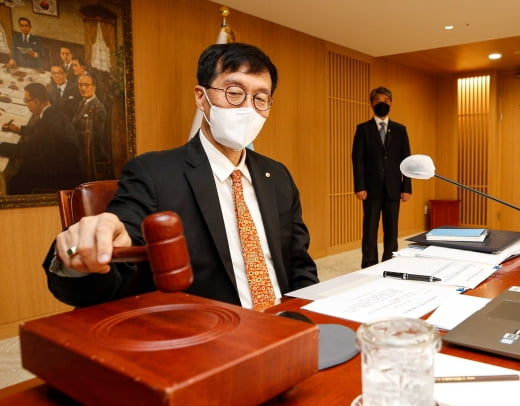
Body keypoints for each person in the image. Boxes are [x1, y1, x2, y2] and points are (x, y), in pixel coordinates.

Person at [44, 42, 319, 310]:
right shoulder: (153, 173)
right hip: (211, 336)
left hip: (286, 326)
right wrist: (80, 254)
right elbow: (117, 262)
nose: (248, 109)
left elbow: (299, 264)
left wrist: (306, 316)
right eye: (234, 92)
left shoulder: (279, 176)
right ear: (202, 97)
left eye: (260, 98)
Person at [351, 86, 412, 268]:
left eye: (386, 101)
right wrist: (359, 186)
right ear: (371, 104)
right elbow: (357, 160)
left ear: (391, 103)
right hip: (370, 189)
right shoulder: (363, 129)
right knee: (369, 230)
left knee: (391, 230)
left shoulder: (400, 130)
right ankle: (369, 265)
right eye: (378, 101)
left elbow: (406, 160)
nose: (382, 104)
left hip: (394, 188)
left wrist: (406, 187)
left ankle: (390, 264)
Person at [0, 83, 83, 194]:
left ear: (37, 101)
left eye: (27, 100)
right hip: (65, 165)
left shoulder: (47, 122)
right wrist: (18, 129)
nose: (26, 104)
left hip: (61, 177)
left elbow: (24, 150)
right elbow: (39, 131)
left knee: (15, 181)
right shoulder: (53, 111)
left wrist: (1, 147)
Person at [72, 73, 109, 180]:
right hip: (81, 146)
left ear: (94, 87)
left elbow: (96, 137)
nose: (83, 88)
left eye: (86, 85)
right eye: (80, 85)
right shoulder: (82, 102)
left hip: (91, 152)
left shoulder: (98, 108)